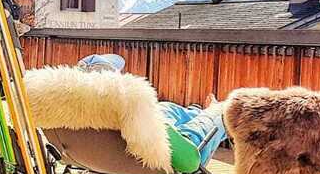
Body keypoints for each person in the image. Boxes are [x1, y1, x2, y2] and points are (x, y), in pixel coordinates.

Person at [77, 54, 227, 168]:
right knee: (222, 110)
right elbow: (187, 159)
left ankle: (198, 112)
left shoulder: (75, 117)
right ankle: (210, 111)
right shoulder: (134, 118)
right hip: (180, 148)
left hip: (115, 155)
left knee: (166, 107)